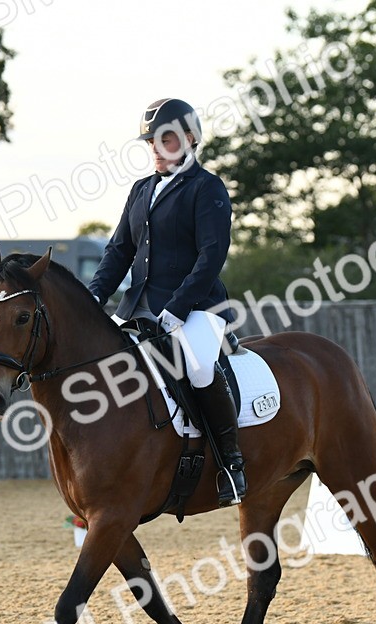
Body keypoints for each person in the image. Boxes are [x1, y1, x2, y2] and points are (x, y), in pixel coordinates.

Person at [88, 98, 246, 506]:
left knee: (197, 369)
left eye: (166, 139)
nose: (156, 148)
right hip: (137, 307)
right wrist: (94, 296)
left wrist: (176, 308)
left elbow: (211, 256)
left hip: (196, 308)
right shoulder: (142, 189)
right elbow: (118, 251)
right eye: (152, 142)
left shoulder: (206, 187)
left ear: (190, 139)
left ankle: (231, 464)